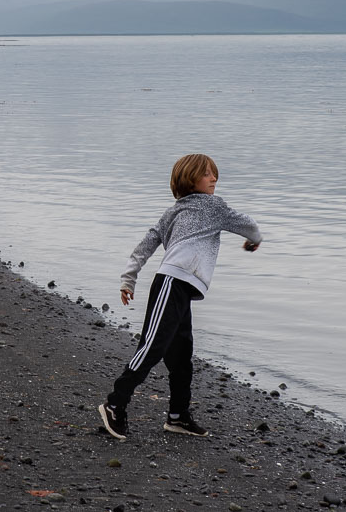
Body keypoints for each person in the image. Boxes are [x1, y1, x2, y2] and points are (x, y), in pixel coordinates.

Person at [98, 154, 262, 440]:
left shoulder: (173, 211)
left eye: (215, 174)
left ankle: (178, 416)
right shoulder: (214, 206)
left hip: (180, 288)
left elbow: (145, 245)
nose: (214, 179)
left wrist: (129, 278)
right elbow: (247, 224)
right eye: (208, 174)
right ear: (190, 179)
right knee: (152, 348)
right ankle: (114, 404)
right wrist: (255, 240)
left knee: (181, 356)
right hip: (172, 283)